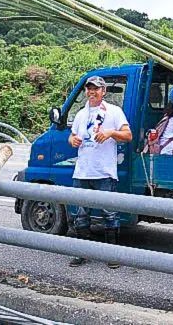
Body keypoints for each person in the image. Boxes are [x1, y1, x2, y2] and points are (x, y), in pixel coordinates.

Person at [67, 76, 133, 268]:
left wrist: (111, 133)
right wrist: (72, 140)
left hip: (104, 172)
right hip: (82, 172)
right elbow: (73, 135)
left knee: (109, 214)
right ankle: (82, 253)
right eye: (89, 89)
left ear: (103, 91)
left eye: (96, 89)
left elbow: (128, 135)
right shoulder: (80, 114)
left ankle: (112, 255)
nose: (92, 92)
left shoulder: (114, 111)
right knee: (81, 214)